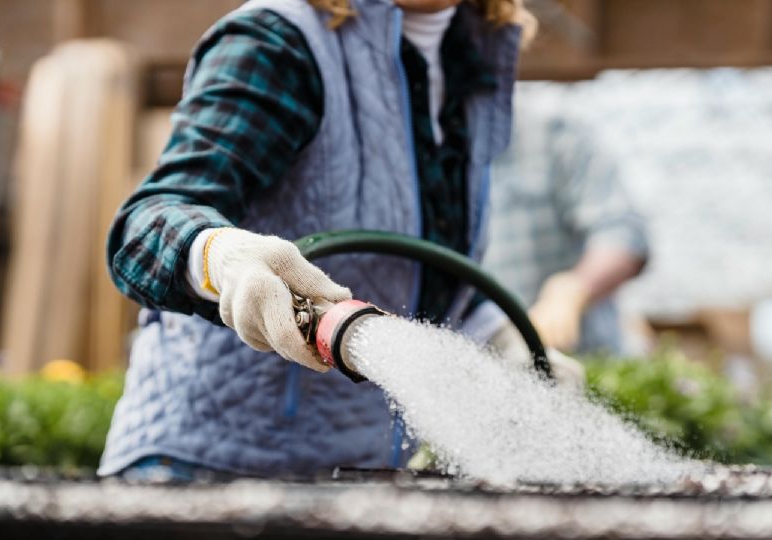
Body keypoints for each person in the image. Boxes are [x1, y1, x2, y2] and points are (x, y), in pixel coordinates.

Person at [98, 0, 536, 479]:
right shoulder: (279, 42)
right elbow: (143, 226)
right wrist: (220, 258)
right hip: (203, 470)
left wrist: (496, 339)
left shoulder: (474, 61)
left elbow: (410, 277)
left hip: (359, 477)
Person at [479, 85, 650, 361]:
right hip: (478, 371)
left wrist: (572, 289)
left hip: (579, 359)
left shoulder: (553, 131)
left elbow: (622, 232)